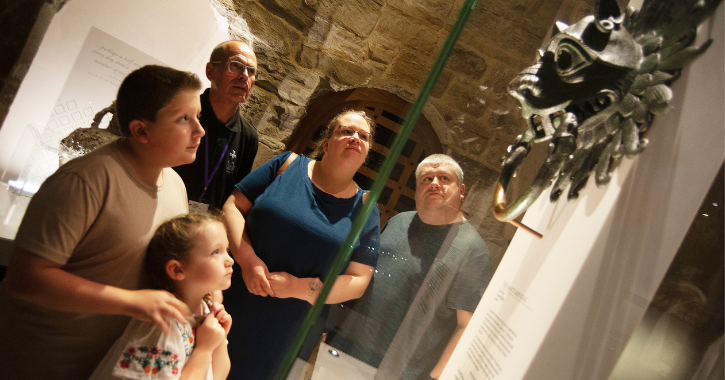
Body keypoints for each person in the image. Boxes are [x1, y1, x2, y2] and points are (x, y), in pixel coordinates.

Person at [0, 65, 205, 379]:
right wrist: (131, 302)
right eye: (183, 119)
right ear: (140, 131)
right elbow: (25, 277)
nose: (199, 130)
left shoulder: (176, 185)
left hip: (105, 364)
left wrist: (203, 296)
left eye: (198, 117)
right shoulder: (85, 181)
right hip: (42, 360)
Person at [222, 109, 382, 379]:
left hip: (287, 331)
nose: (355, 138)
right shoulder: (288, 164)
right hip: (230, 295)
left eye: (363, 136)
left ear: (366, 152)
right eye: (346, 131)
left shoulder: (367, 208)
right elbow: (233, 206)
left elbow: (358, 280)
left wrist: (298, 288)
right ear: (327, 142)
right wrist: (247, 259)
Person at [328, 154, 493, 380]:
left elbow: (466, 326)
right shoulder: (399, 221)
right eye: (426, 179)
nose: (434, 183)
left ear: (461, 190)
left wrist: (435, 378)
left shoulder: (473, 249)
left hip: (399, 373)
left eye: (444, 178)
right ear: (416, 190)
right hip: (343, 350)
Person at [89, 212, 233, 380]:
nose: (229, 260)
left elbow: (218, 375)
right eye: (216, 252)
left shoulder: (205, 311)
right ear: (177, 270)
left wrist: (219, 340)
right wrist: (205, 349)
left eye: (226, 250)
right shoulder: (162, 325)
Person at [174, 40, 259, 212]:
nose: (244, 76)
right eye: (235, 65)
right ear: (210, 71)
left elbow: (233, 197)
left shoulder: (248, 137)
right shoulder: (181, 112)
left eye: (251, 71)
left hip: (202, 229)